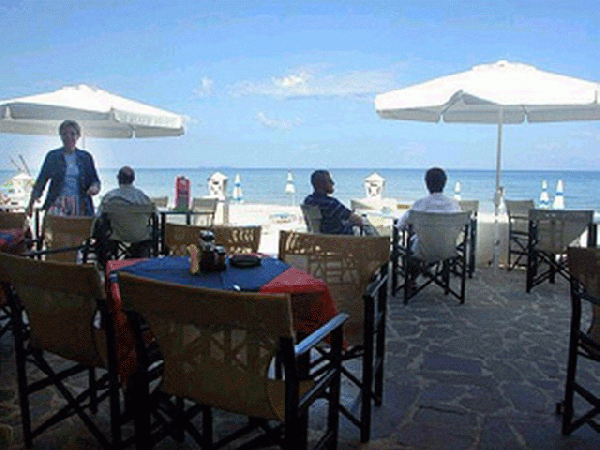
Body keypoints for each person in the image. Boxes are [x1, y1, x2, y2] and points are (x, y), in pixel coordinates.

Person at [26, 120, 100, 217]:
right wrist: (30, 204)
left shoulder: (86, 157)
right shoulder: (53, 156)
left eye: (72, 134)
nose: (68, 137)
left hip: (80, 203)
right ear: (60, 136)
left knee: (80, 226)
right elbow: (41, 181)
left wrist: (94, 188)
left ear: (78, 136)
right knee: (55, 224)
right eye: (65, 134)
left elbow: (95, 180)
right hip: (58, 201)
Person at [93, 166, 156, 258]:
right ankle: (134, 255)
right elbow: (154, 214)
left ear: (118, 178)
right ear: (133, 179)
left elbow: (98, 216)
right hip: (140, 236)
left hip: (115, 235)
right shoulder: (143, 197)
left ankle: (107, 259)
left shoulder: (110, 197)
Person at [303, 170, 365, 235]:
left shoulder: (308, 200)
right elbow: (356, 220)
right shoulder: (330, 203)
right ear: (321, 184)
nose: (333, 183)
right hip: (341, 238)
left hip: (321, 238)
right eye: (329, 181)